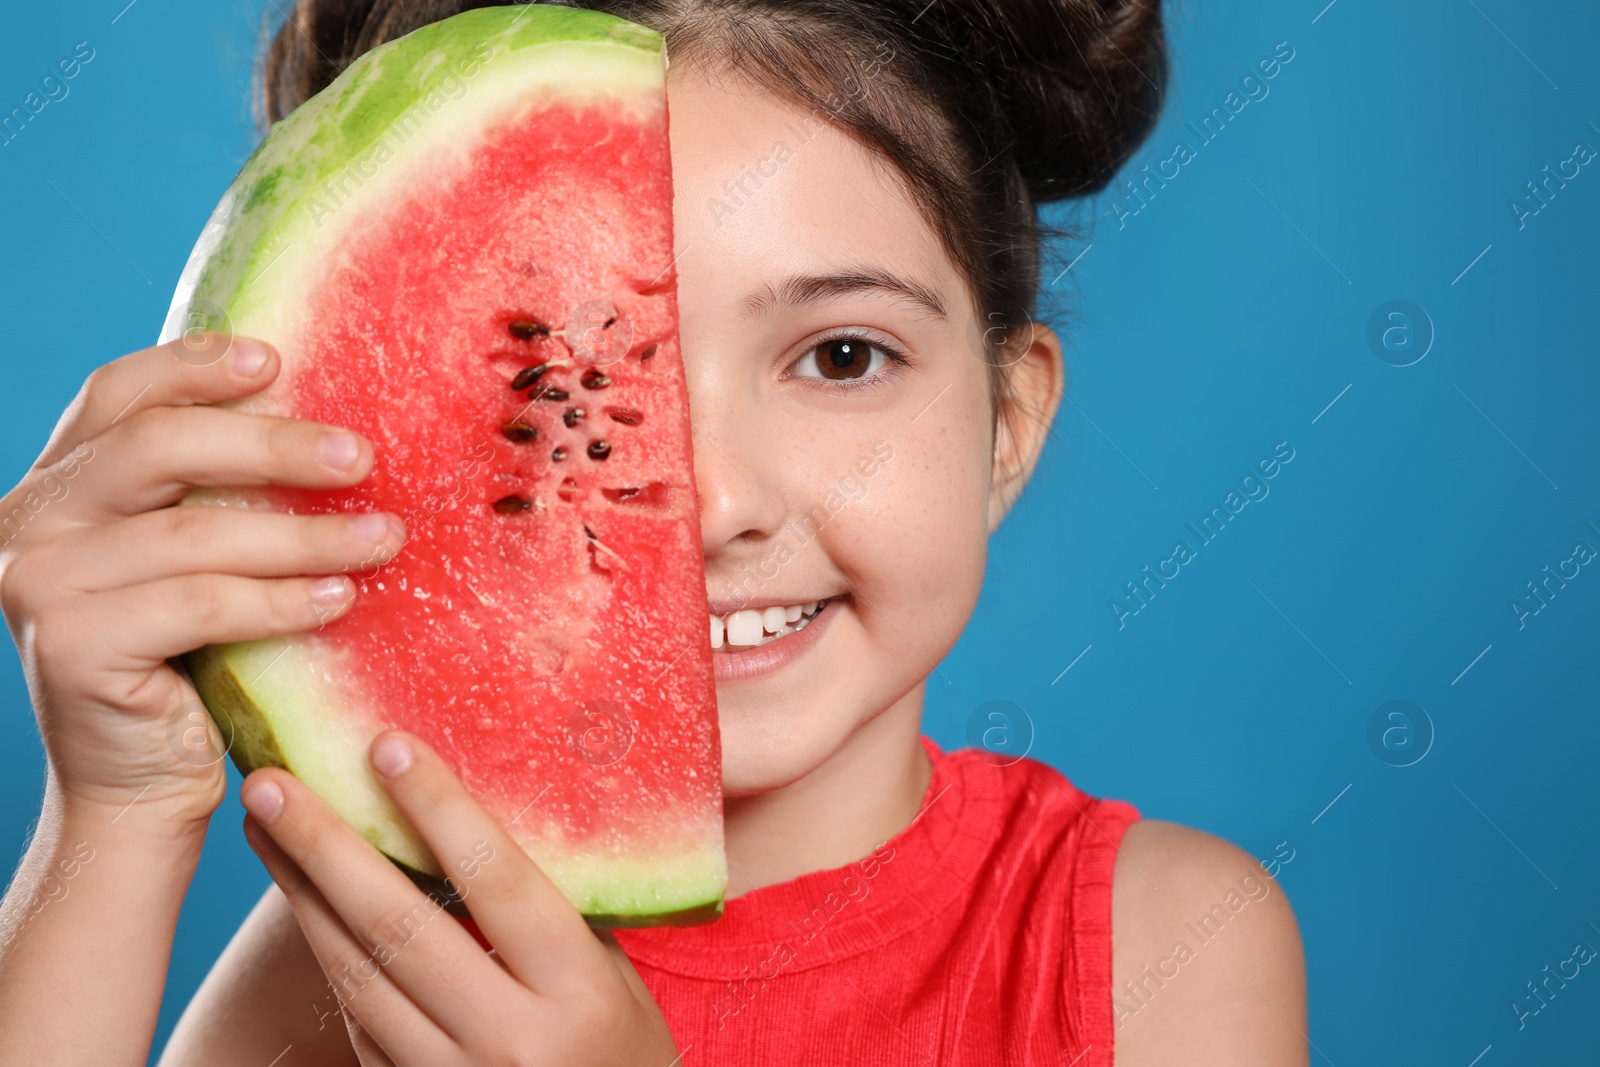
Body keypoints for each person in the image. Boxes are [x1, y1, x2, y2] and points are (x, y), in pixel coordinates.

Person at [0, 1, 1307, 1063]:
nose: (717, 502)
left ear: (1006, 424)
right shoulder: (368, 958)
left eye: (842, 356)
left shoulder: (1157, 949)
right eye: (559, 393)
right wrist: (113, 815)